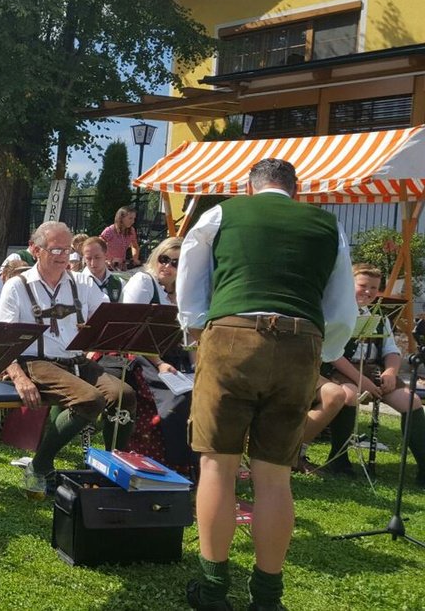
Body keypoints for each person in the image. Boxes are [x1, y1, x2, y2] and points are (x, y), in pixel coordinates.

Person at [178, 158, 357, 611]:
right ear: (296, 191)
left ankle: (213, 590)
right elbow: (341, 307)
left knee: (217, 466)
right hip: (300, 342)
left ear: (250, 188)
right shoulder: (327, 225)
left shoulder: (221, 214)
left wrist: (198, 331)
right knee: (275, 476)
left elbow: (190, 281)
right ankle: (267, 598)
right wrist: (325, 350)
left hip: (232, 336)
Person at [0, 221, 136, 495]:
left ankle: (111, 469)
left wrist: (105, 332)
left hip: (77, 361)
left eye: (67, 250)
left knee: (124, 395)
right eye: (56, 249)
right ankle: (39, 465)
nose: (63, 256)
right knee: (90, 399)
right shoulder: (17, 286)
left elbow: (108, 319)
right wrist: (18, 377)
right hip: (36, 362)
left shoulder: (82, 282)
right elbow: (4, 341)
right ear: (36, 250)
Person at [314, 263, 424, 483]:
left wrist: (390, 372)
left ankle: (424, 467)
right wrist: (361, 380)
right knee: (350, 395)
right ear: (349, 285)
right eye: (362, 285)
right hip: (341, 370)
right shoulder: (336, 313)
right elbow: (332, 354)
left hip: (374, 370)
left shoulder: (380, 316)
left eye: (374, 287)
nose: (368, 291)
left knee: (411, 401)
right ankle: (338, 461)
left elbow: (391, 351)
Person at [119, 237, 195, 476]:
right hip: (143, 357)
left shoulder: (184, 292)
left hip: (176, 357)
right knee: (180, 398)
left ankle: (200, 463)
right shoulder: (144, 282)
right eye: (164, 259)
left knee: (205, 392)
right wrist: (160, 363)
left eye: (175, 263)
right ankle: (176, 464)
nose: (167, 266)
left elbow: (191, 337)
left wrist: (197, 368)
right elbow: (132, 330)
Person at [73, 236, 123, 303]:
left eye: (97, 257)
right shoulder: (76, 282)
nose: (93, 263)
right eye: (88, 258)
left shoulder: (119, 282)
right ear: (84, 258)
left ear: (106, 255)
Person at [100, 205, 140, 270]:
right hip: (107, 267)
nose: (133, 221)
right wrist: (104, 260)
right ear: (121, 218)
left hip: (121, 266)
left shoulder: (131, 231)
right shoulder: (110, 230)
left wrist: (135, 258)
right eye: (130, 218)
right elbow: (98, 246)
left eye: (134, 218)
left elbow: (135, 246)